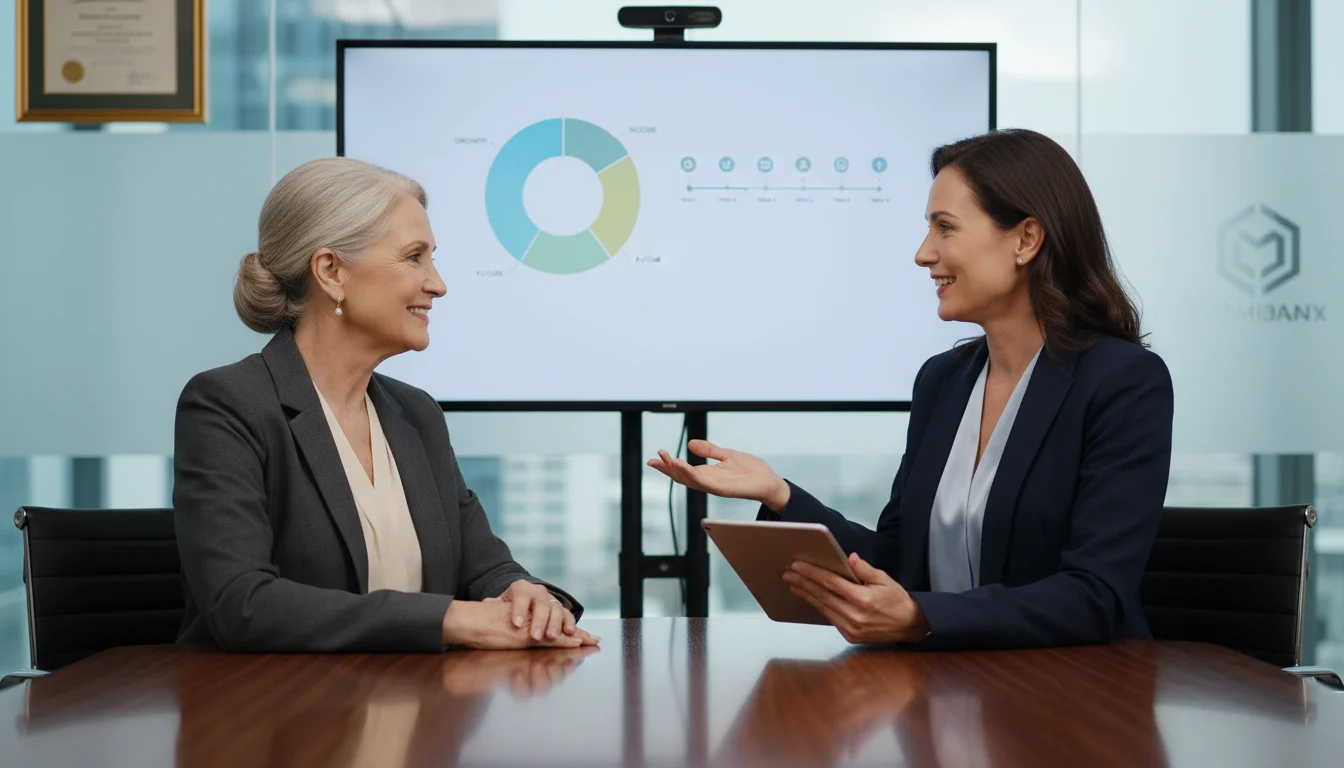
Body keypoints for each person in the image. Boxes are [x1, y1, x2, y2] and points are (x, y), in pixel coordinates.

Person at [650, 129, 1174, 649]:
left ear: (1026, 240)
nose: (924, 254)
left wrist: (923, 616)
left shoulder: (1123, 382)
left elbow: (1096, 596)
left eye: (945, 228)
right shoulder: (943, 381)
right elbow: (902, 560)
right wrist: (780, 495)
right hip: (948, 695)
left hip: (1076, 704)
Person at [173, 157, 598, 652]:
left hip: (413, 713)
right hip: (275, 716)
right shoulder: (228, 406)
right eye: (414, 256)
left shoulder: (416, 414)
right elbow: (240, 602)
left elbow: (484, 566)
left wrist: (522, 593)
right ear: (331, 271)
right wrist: (447, 620)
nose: (438, 284)